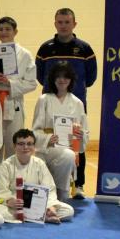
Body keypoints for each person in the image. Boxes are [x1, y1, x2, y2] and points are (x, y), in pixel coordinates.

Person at [35, 8, 96, 195]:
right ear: (55, 24)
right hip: (52, 102)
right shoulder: (46, 48)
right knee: (50, 144)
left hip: (74, 101)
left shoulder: (85, 49)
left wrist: (73, 90)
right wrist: (54, 90)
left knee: (76, 141)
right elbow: (40, 75)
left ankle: (78, 184)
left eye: (67, 22)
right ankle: (49, 184)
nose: (63, 26)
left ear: (74, 24)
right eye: (60, 22)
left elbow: (91, 77)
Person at [32, 62, 88, 200]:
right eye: (58, 77)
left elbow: (85, 132)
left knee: (69, 155)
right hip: (47, 149)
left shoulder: (77, 103)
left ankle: (62, 194)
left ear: (71, 80)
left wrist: (80, 137)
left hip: (67, 148)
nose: (62, 80)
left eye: (66, 77)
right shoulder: (43, 99)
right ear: (53, 79)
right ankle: (45, 196)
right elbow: (35, 130)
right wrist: (47, 138)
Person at [0, 17, 37, 159]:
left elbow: (32, 83)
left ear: (15, 31)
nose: (4, 32)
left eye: (8, 29)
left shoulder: (25, 54)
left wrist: (10, 84)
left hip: (13, 102)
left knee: (14, 144)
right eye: (0, 29)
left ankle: (13, 179)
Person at [0, 129, 74, 224]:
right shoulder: (6, 165)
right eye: (21, 144)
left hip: (36, 204)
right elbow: (1, 190)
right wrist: (10, 201)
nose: (25, 147)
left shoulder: (39, 164)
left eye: (29, 144)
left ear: (34, 146)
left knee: (69, 211)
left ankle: (30, 217)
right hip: (16, 205)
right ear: (14, 146)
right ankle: (42, 217)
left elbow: (49, 188)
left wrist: (51, 206)